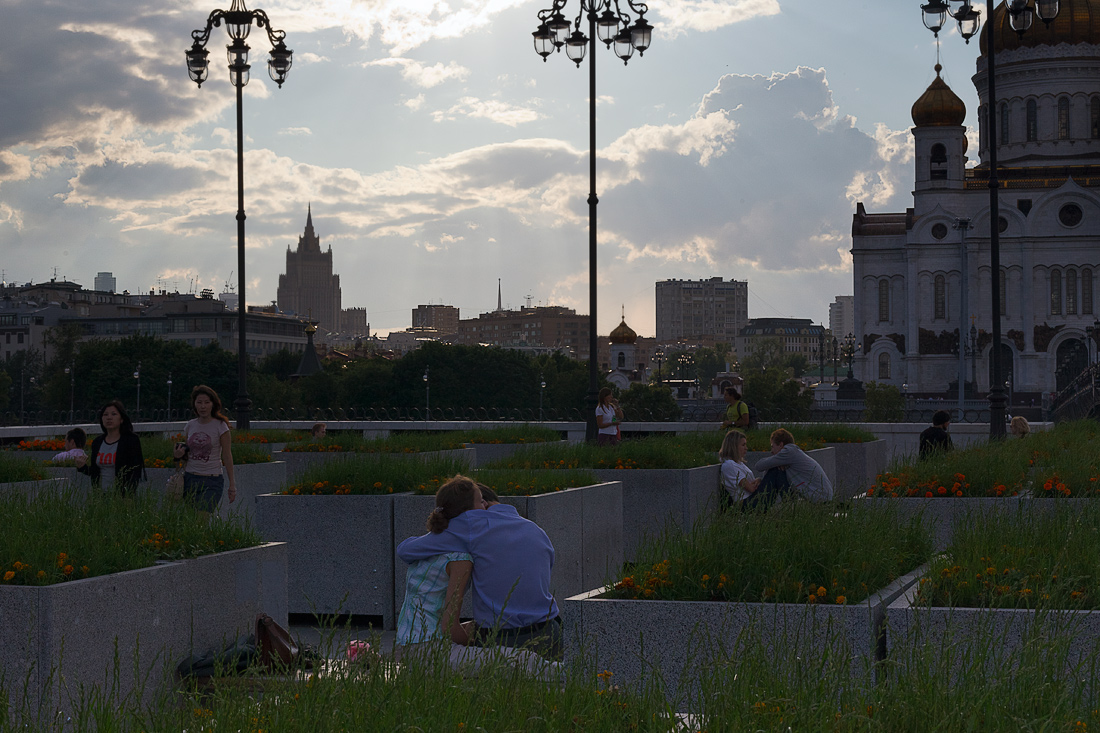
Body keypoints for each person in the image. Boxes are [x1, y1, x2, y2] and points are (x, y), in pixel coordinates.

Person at [397, 474, 562, 659]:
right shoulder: (536, 529)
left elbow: (405, 550)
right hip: (551, 631)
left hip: (502, 639)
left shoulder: (470, 524)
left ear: (483, 505)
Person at [173, 385, 236, 512]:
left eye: (207, 402)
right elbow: (184, 457)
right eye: (199, 402)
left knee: (201, 519)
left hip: (212, 480)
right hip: (190, 478)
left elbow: (227, 455)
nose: (203, 406)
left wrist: (232, 485)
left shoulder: (220, 426)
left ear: (213, 404)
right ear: (194, 404)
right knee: (191, 522)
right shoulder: (190, 425)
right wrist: (177, 456)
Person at [742, 428, 833, 511]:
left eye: (772, 446)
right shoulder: (793, 453)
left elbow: (759, 466)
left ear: (781, 445)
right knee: (777, 470)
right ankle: (762, 505)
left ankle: (756, 506)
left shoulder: (789, 452)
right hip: (820, 498)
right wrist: (762, 480)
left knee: (777, 512)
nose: (771, 451)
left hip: (818, 501)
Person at [75, 401, 144, 493]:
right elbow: (95, 472)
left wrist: (129, 495)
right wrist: (82, 467)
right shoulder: (97, 442)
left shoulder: (130, 440)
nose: (109, 418)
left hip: (122, 496)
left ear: (121, 419)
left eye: (114, 414)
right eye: (105, 415)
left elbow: (135, 471)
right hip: (100, 495)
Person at [718, 429, 758, 507]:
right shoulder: (729, 465)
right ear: (734, 447)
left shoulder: (738, 463)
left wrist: (758, 481)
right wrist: (756, 483)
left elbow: (751, 483)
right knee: (774, 472)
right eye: (743, 445)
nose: (746, 448)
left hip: (751, 497)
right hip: (745, 502)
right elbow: (750, 488)